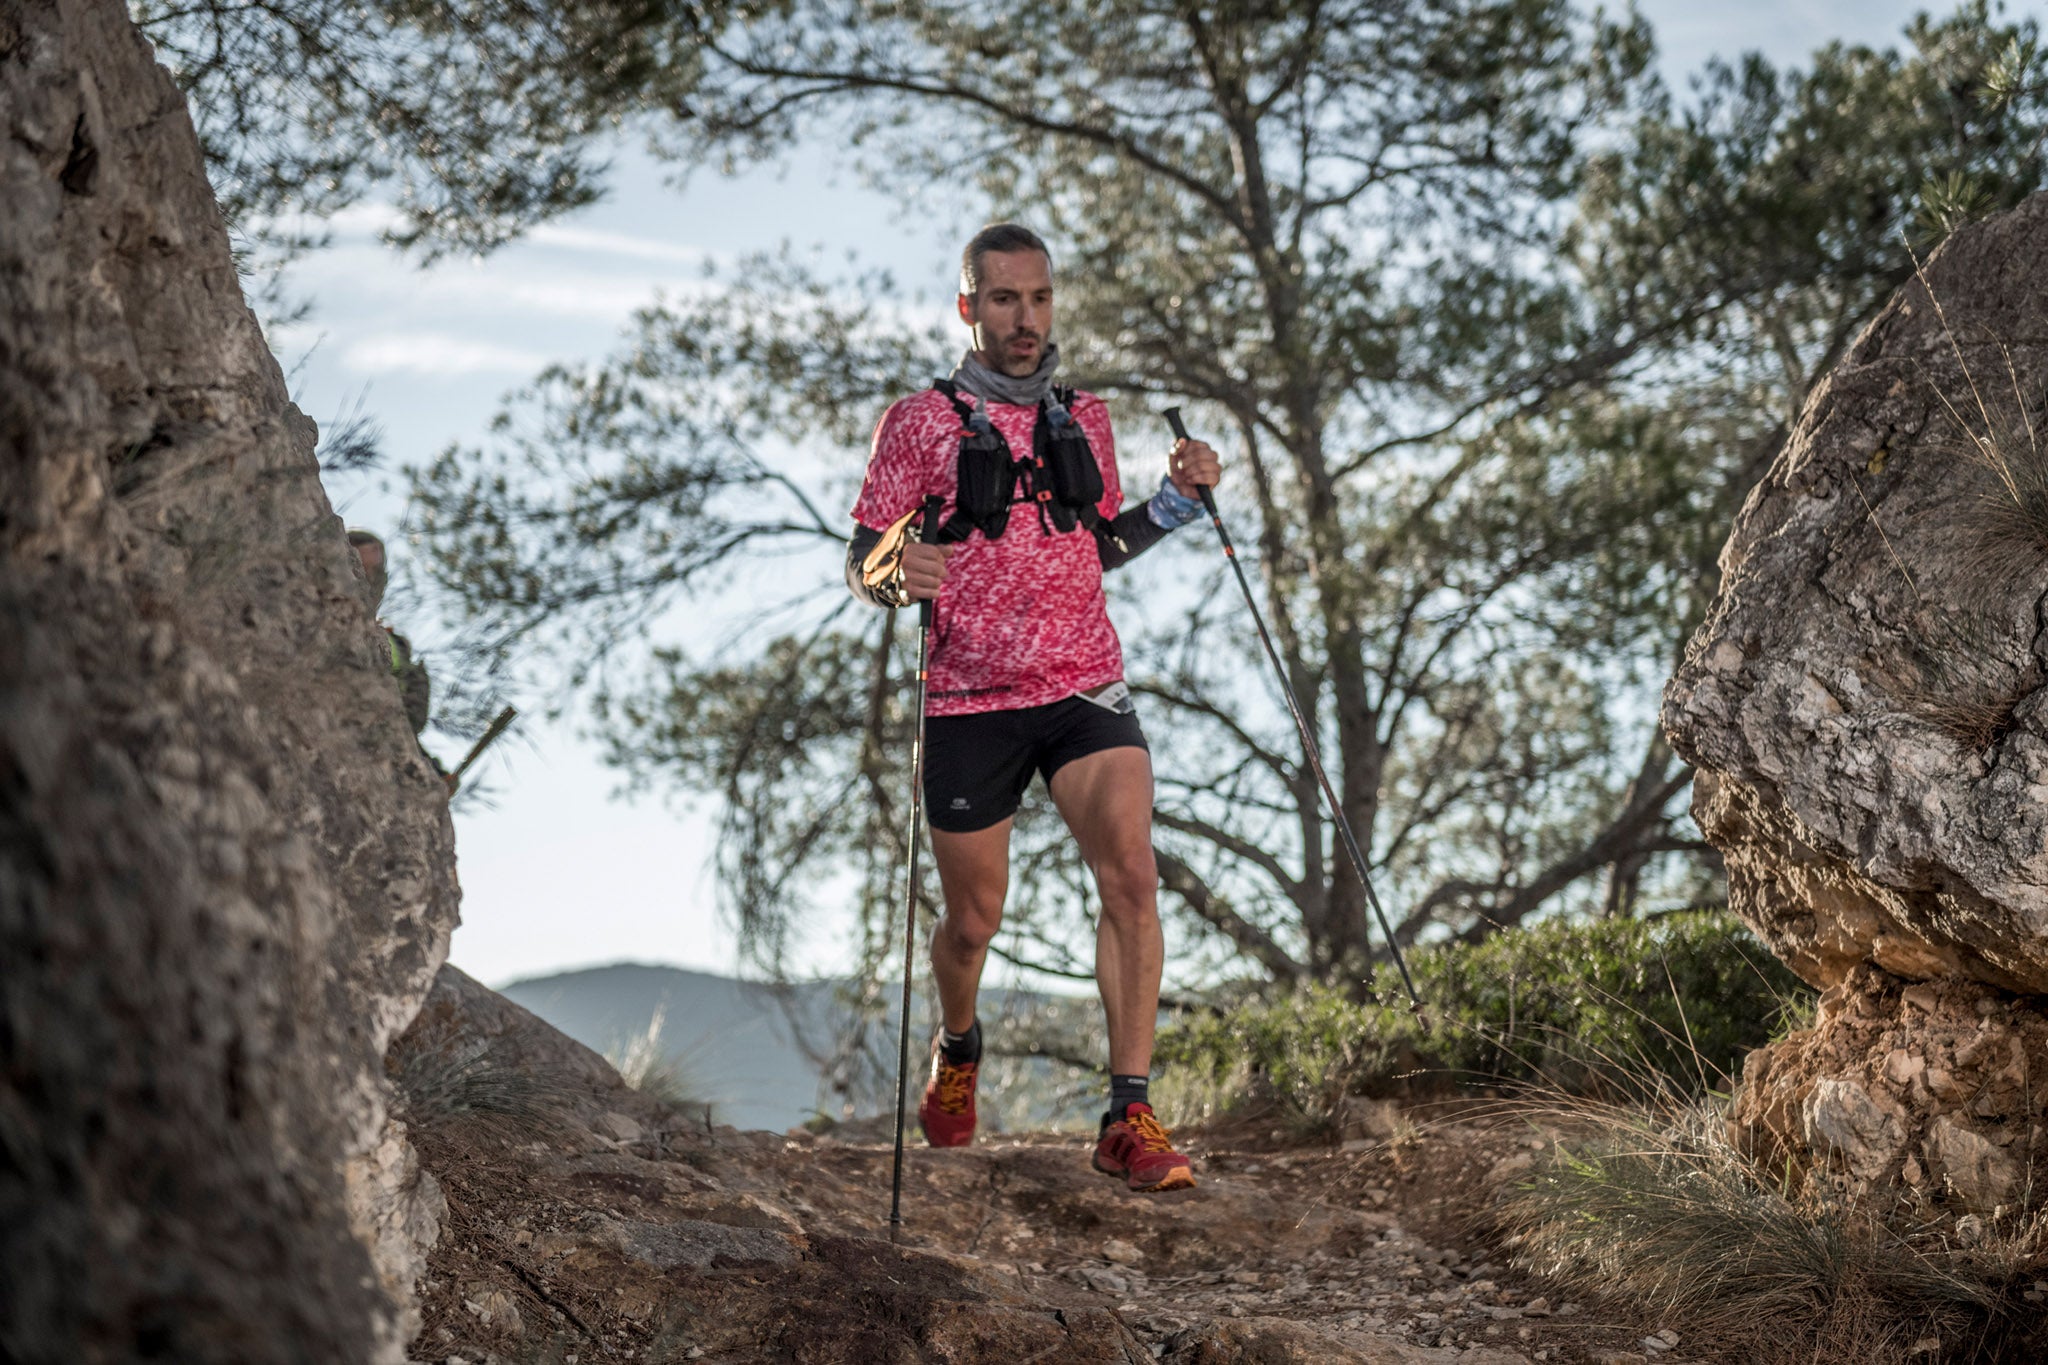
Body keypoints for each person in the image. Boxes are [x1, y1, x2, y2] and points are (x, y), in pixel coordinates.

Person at [845, 223, 1222, 1192]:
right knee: (973, 921)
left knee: (1131, 876)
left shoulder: (1082, 416)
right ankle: (959, 1046)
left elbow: (1092, 545)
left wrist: (1176, 501)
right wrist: (897, 571)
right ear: (968, 308)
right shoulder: (917, 423)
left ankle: (1126, 1113)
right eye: (1004, 300)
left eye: (1040, 298)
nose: (1026, 318)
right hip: (969, 699)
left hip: (1083, 684)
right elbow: (864, 563)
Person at [349, 529, 448, 786]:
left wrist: (434, 773)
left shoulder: (396, 644)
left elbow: (403, 723)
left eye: (375, 573)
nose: (367, 579)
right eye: (361, 567)